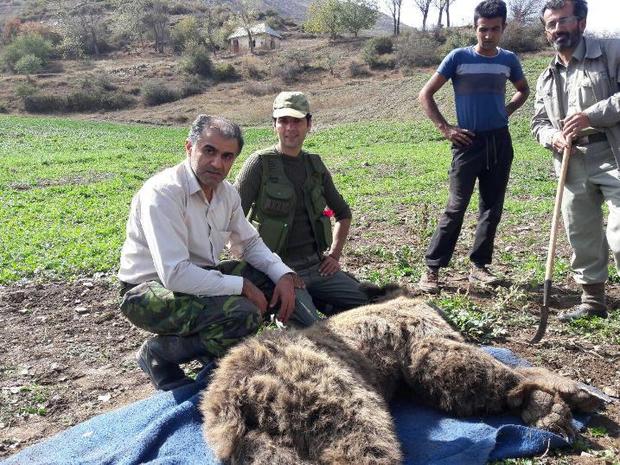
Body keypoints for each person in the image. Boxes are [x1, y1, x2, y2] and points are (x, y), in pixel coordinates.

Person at [118, 115, 318, 391]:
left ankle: (298, 349)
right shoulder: (164, 193)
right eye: (209, 151)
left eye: (227, 156)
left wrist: (282, 274)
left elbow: (248, 243)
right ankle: (159, 353)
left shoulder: (226, 194)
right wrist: (241, 286)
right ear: (189, 147)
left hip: (199, 278)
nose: (217, 163)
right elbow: (175, 274)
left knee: (271, 278)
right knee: (241, 313)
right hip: (148, 292)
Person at [417, 0, 529, 293]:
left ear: (503, 28)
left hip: (499, 141)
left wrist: (506, 111)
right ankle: (432, 269)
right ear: (474, 28)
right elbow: (426, 94)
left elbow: (523, 90)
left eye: (494, 29)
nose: (488, 35)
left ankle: (479, 267)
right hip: (467, 142)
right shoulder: (457, 58)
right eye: (483, 29)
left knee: (492, 207)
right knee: (456, 207)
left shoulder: (509, 60)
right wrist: (446, 128)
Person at [234, 91, 369, 316]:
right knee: (311, 330)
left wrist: (334, 256)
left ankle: (320, 298)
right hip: (280, 272)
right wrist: (268, 271)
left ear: (309, 124)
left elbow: (343, 213)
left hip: (318, 267)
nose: (290, 128)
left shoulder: (314, 165)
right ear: (274, 125)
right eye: (283, 121)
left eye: (296, 120)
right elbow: (233, 218)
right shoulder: (259, 164)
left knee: (372, 305)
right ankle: (295, 305)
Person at [531, 0, 619, 321]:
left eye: (563, 21)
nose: (557, 29)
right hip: (571, 161)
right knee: (581, 232)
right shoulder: (546, 77)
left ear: (581, 22)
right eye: (551, 24)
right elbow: (538, 122)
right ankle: (593, 301)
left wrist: (590, 116)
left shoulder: (612, 52)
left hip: (612, 154)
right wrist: (550, 136)